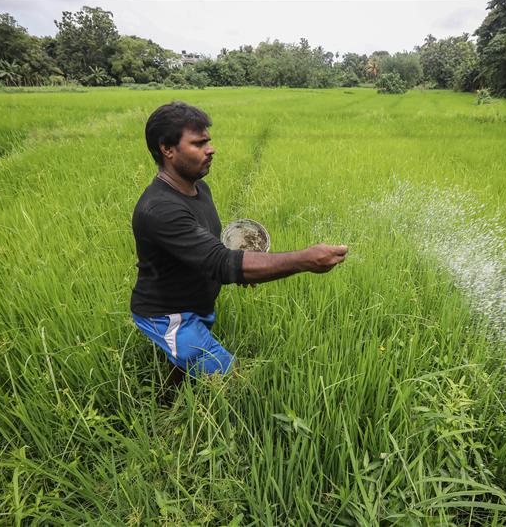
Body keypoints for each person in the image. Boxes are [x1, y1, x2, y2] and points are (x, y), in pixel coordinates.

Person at [130, 101, 348, 384]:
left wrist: (248, 268)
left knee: (183, 367)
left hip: (197, 303)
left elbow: (209, 249)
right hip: (168, 315)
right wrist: (306, 259)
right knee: (231, 381)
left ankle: (167, 404)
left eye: (208, 141)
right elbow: (220, 261)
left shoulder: (198, 188)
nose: (211, 149)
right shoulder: (160, 210)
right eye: (198, 144)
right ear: (167, 149)